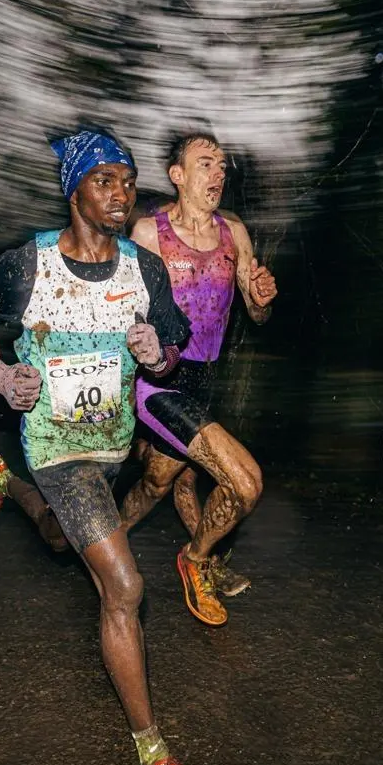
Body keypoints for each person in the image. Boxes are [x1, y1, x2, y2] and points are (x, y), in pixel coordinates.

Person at [0, 129, 223, 765]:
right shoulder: (28, 264)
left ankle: (3, 481)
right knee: (124, 587)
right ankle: (156, 756)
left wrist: (156, 355)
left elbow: (171, 347)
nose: (120, 193)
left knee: (57, 536)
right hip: (56, 449)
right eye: (103, 180)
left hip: (112, 449)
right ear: (73, 190)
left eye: (127, 181)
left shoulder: (145, 268)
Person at [116, 132, 277, 627]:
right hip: (158, 382)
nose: (218, 173)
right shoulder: (149, 233)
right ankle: (197, 559)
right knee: (243, 484)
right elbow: (119, 314)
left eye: (222, 165)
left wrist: (261, 301)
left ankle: (100, 540)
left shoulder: (235, 233)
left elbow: (256, 314)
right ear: (178, 175)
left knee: (160, 481)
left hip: (205, 381)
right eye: (205, 163)